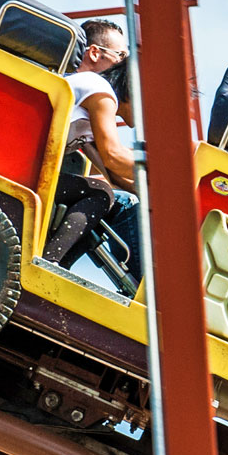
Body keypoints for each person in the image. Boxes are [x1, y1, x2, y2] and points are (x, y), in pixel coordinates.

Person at [48, 18, 143, 283]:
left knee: (108, 194)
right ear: (93, 53)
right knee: (100, 194)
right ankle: (51, 263)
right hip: (21, 170)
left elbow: (113, 173)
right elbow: (114, 155)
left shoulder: (83, 103)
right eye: (121, 56)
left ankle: (55, 263)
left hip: (28, 170)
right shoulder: (96, 86)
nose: (125, 65)